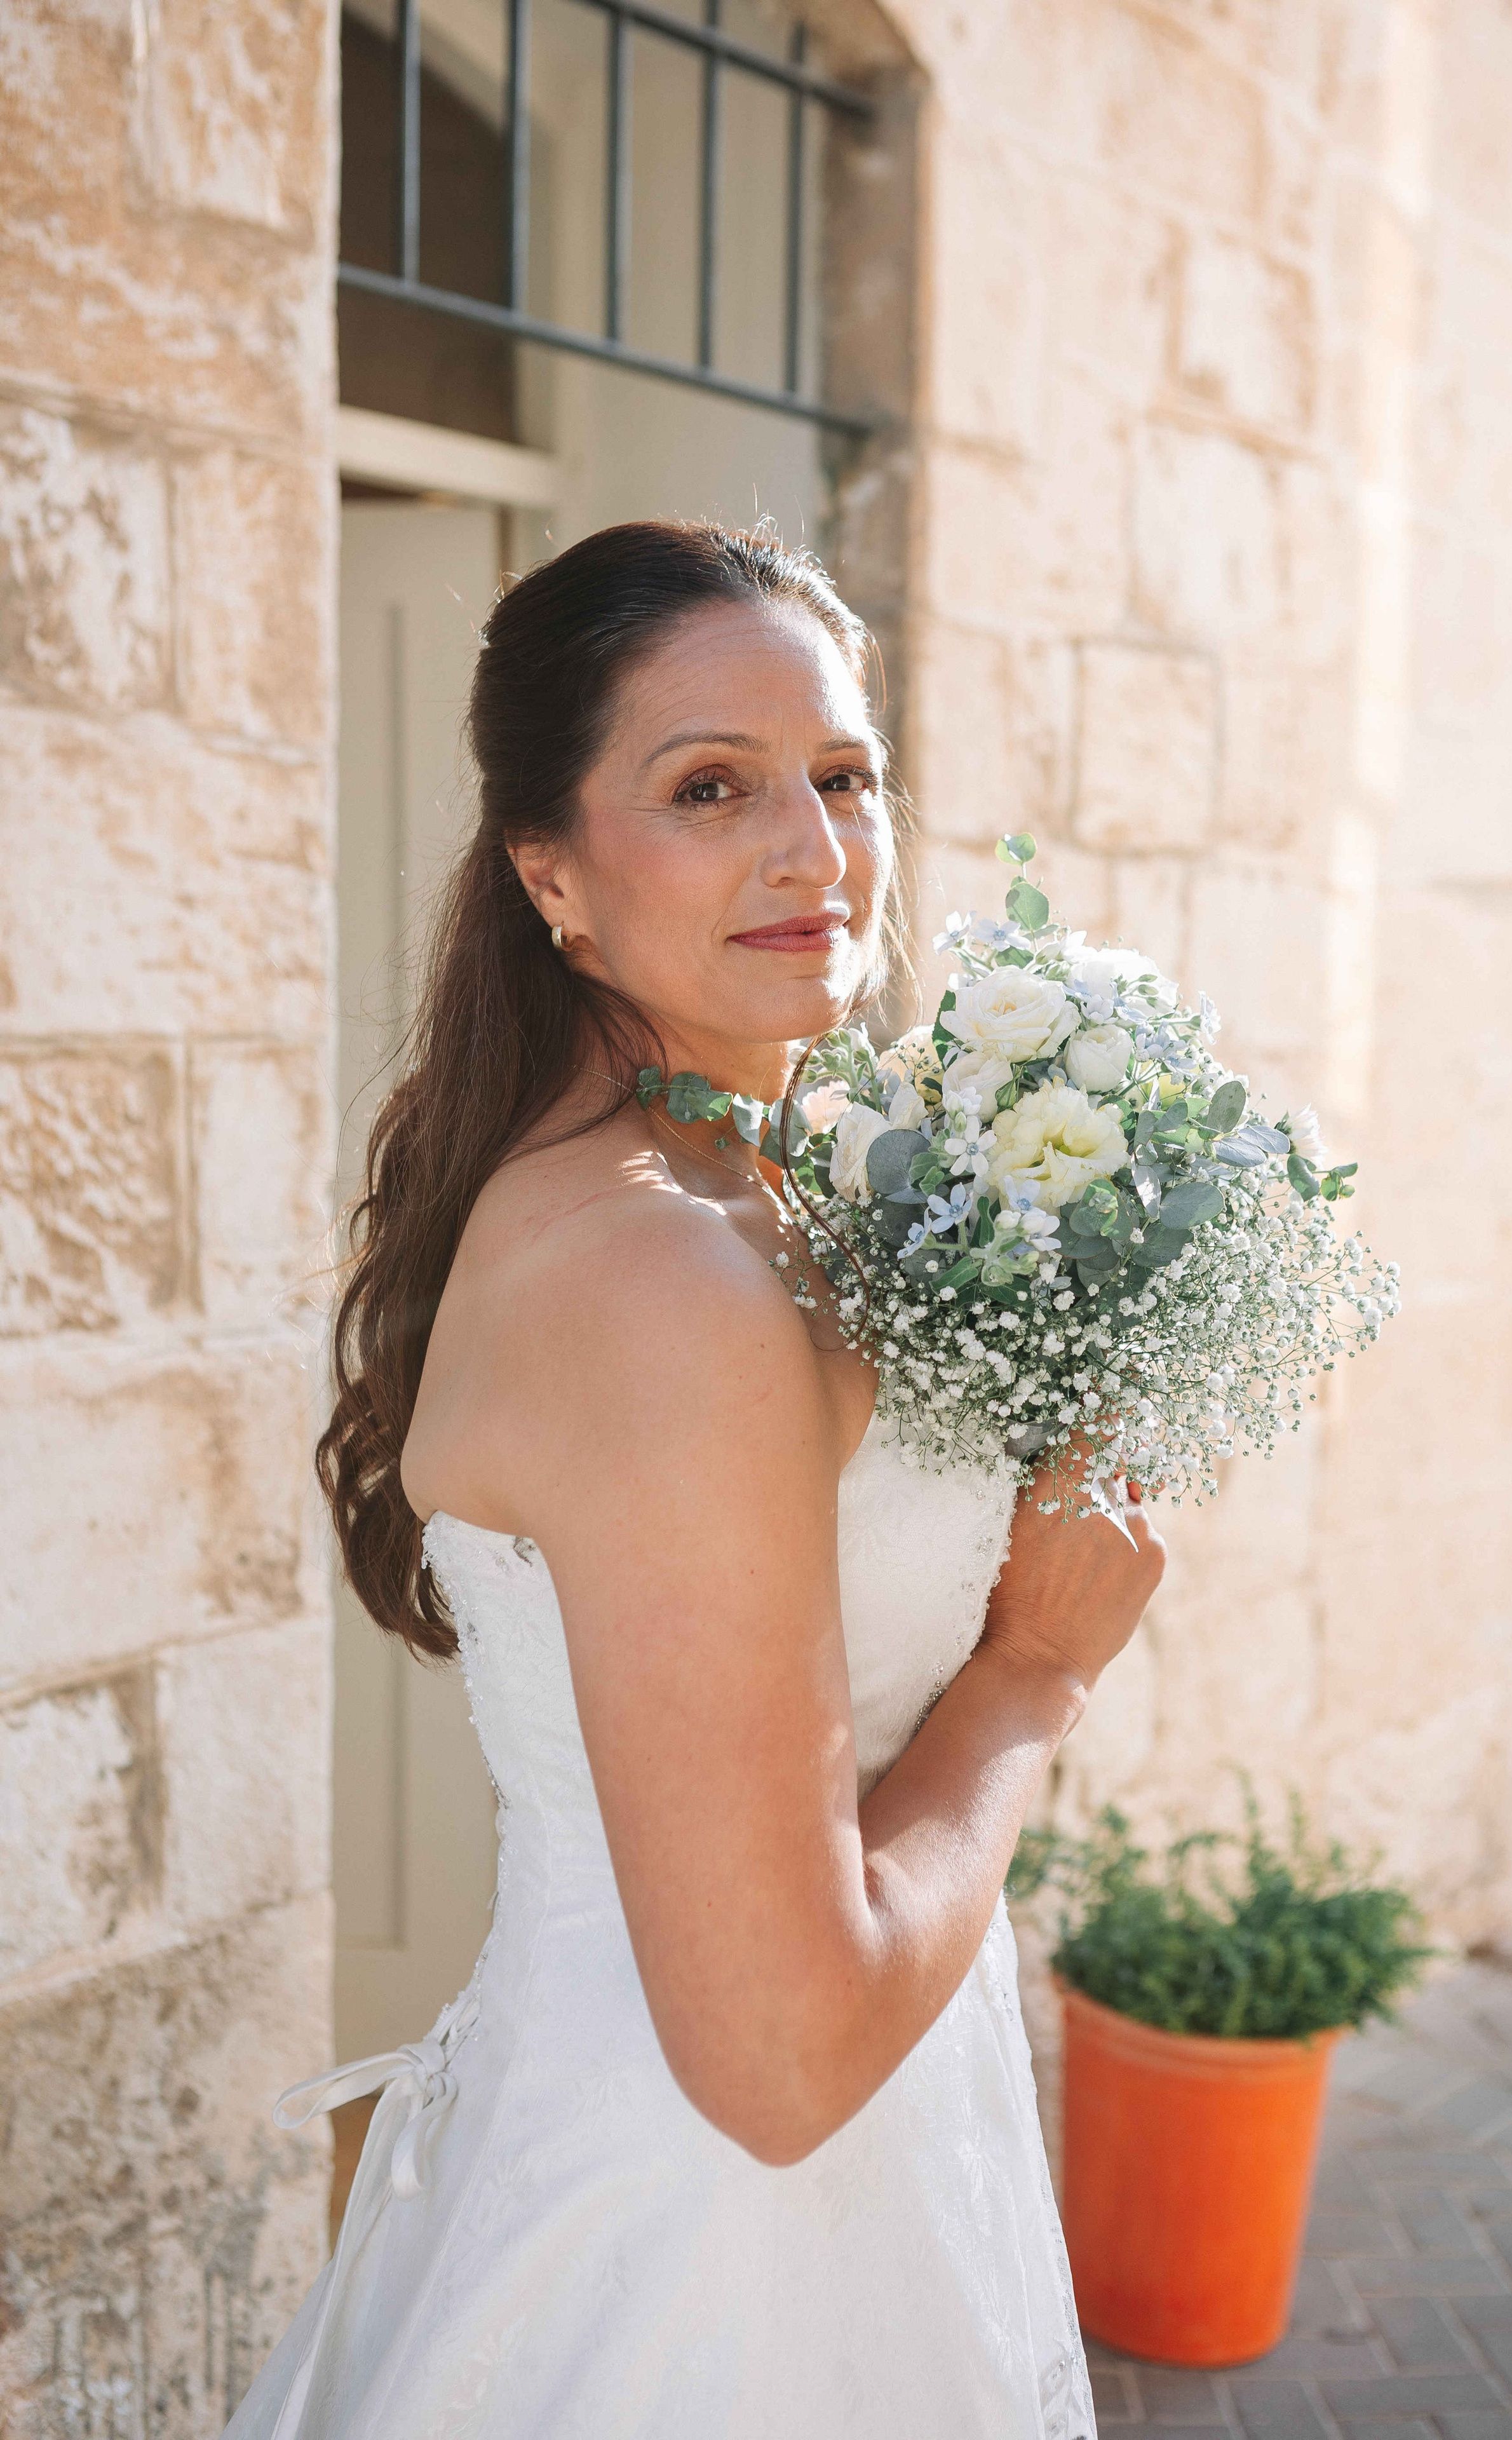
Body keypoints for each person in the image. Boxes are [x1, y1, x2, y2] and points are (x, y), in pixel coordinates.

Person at [227, 521, 1164, 2440]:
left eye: (843, 777)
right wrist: (1038, 1670)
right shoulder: (662, 1278)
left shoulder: (777, 1178)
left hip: (850, 2166)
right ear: (550, 873)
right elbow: (779, 2053)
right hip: (706, 2253)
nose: (814, 853)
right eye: (710, 788)